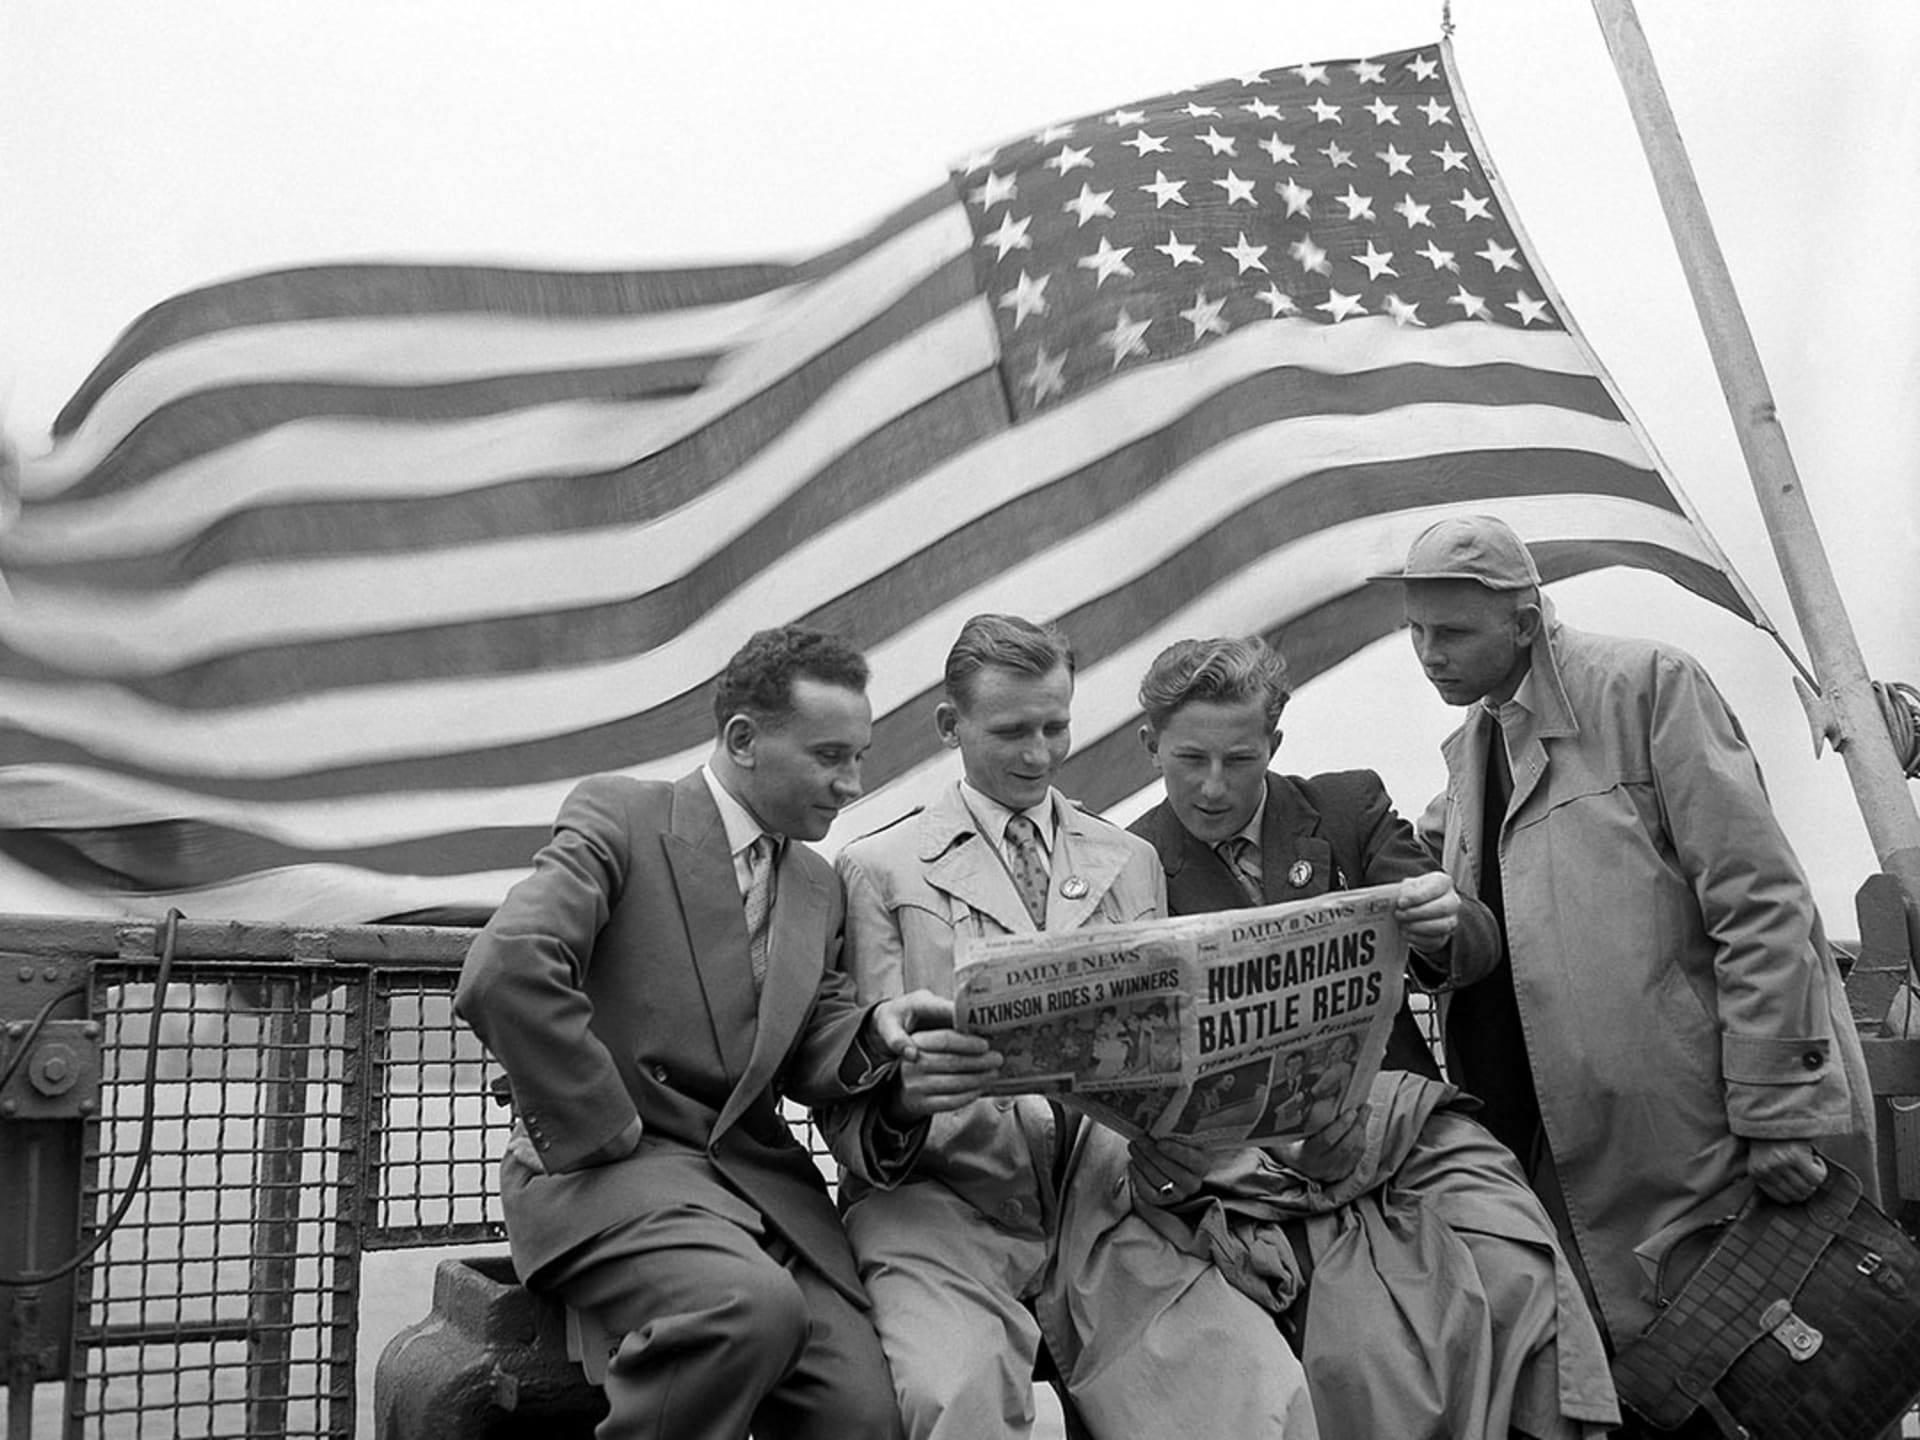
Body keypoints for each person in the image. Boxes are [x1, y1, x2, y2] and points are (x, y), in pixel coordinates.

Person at [455, 625, 999, 1440]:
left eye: (860, 755)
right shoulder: (623, 816)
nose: (852, 783)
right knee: (747, 1310)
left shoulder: (815, 882)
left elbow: (809, 1027)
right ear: (743, 739)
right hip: (609, 1174)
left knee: (861, 1411)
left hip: (753, 1191)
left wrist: (878, 1030)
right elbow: (507, 971)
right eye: (829, 756)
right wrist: (604, 1128)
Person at [1374, 513, 1877, 1359]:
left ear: (1525, 621)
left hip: (1693, 1145)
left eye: (1453, 631)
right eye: (1416, 630)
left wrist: (1779, 1112)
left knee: (1765, 1388)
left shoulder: (1649, 686)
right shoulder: (1470, 752)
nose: (1428, 653)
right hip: (1554, 1155)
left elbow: (1758, 901)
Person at [827, 613, 1317, 1439]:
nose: (1038, 753)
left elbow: (1167, 1055)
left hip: (1107, 1206)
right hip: (942, 1210)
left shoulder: (1125, 860)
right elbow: (861, 1090)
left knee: (1254, 1386)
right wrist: (907, 1095)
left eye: (1056, 725)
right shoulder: (880, 868)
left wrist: (1182, 1133)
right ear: (951, 726)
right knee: (956, 1399)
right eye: (1011, 730)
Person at [1129, 634, 1618, 1440]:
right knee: (1359, 1343)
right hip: (1253, 1159)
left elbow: (1476, 950)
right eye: (1189, 760)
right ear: (1151, 745)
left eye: (1240, 759)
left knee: (1524, 1275)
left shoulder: (1347, 808)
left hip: (1399, 1124)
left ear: (1274, 746)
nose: (1213, 788)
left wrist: (1442, 919)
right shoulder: (1131, 862)